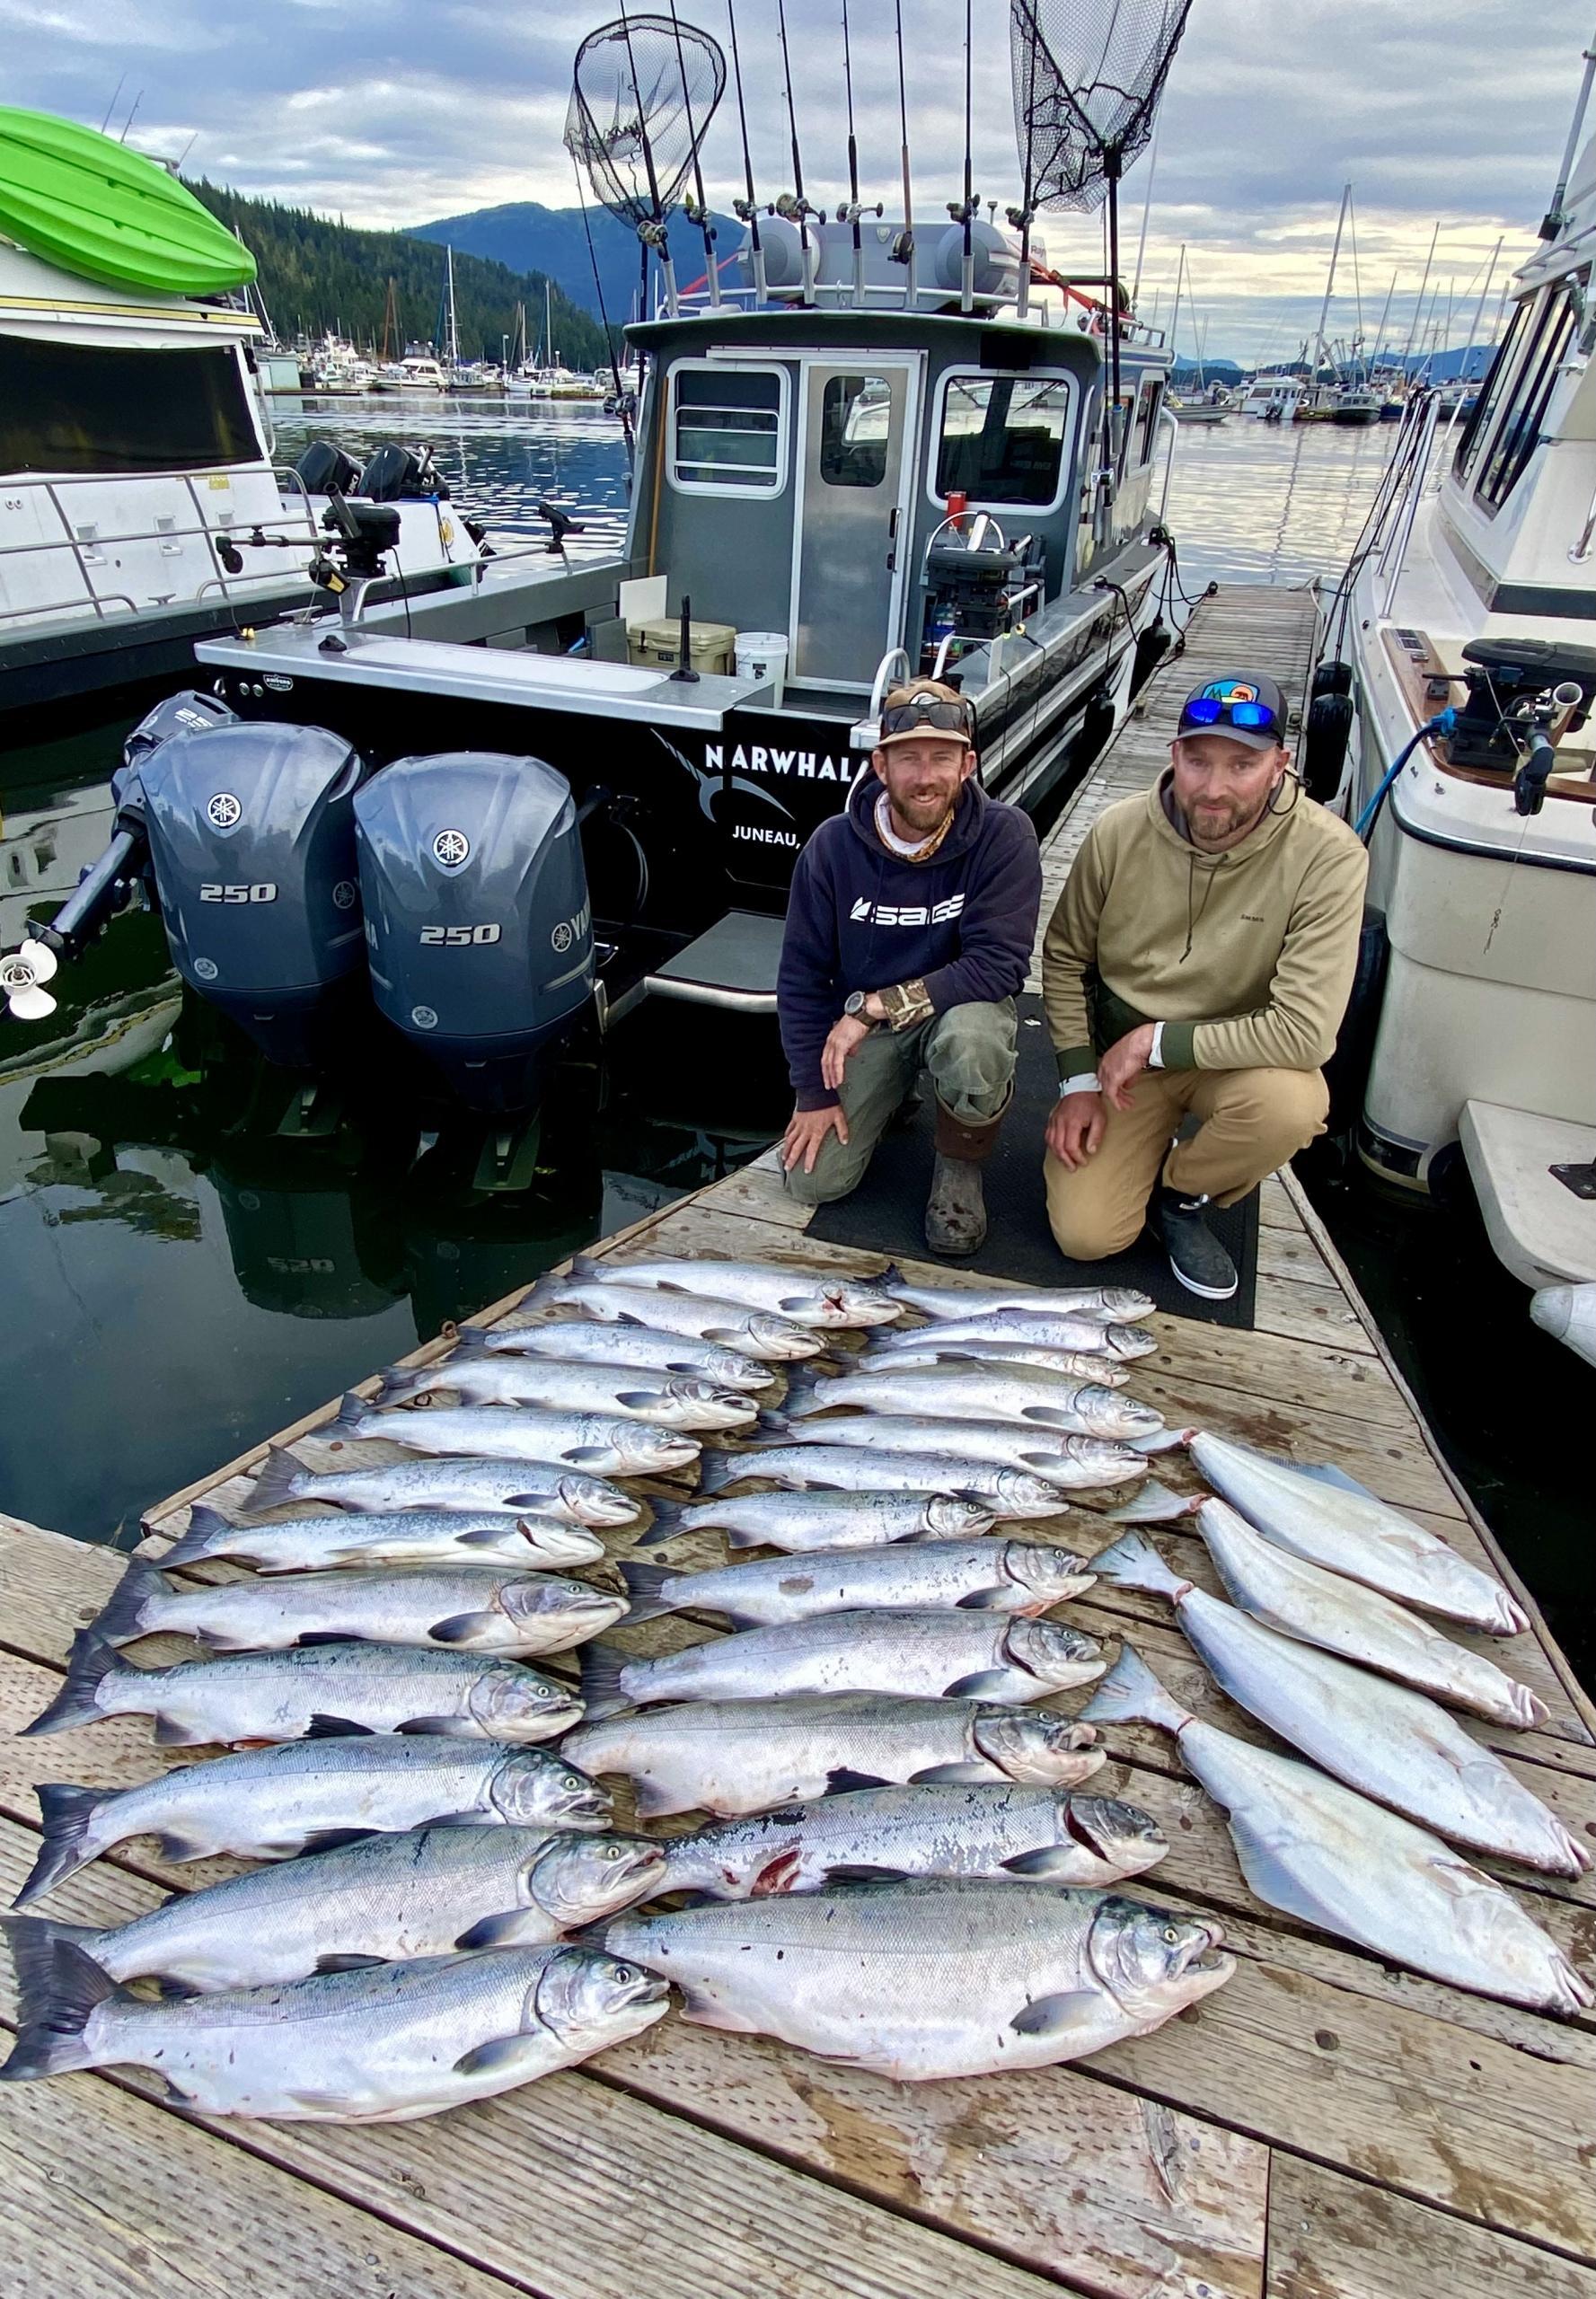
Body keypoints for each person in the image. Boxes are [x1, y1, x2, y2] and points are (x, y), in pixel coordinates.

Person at [1040, 671, 1369, 1300]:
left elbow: (1304, 1034)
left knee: (1292, 1106)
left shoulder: (1330, 858)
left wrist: (1157, 1042)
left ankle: (1181, 1193)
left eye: (1241, 765)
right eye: (1197, 761)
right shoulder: (1115, 831)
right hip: (1120, 1063)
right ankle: (1137, 1152)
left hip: (1238, 1054)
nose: (1213, 789)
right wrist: (1077, 1080)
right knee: (1085, 1237)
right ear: (1174, 756)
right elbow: (1061, 959)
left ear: (1279, 764)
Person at [777, 678, 1043, 1255]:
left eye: (942, 758)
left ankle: (959, 1162)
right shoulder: (829, 848)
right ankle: (896, 1092)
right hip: (870, 1029)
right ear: (879, 764)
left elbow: (1000, 966)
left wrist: (873, 1007)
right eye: (908, 759)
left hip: (955, 1008)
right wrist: (811, 1092)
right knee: (811, 1183)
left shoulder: (1005, 835)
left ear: (968, 763)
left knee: (974, 1042)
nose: (925, 777)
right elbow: (800, 977)